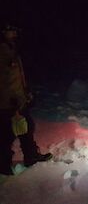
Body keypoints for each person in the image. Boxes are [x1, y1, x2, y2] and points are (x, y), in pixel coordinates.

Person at [0, 24, 52, 176]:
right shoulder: (2, 51)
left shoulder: (10, 48)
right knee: (6, 133)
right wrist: (12, 100)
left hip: (17, 98)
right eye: (11, 30)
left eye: (15, 30)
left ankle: (30, 156)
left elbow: (16, 77)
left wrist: (26, 92)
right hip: (7, 102)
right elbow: (4, 81)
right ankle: (3, 165)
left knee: (27, 128)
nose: (14, 33)